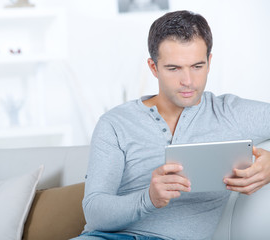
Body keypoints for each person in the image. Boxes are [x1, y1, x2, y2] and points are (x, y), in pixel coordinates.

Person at [73, 10, 270, 240]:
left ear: (209, 62)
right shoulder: (115, 124)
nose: (188, 81)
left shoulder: (230, 112)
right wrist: (149, 198)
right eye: (174, 68)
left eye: (197, 66)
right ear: (153, 67)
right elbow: (95, 213)